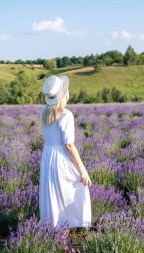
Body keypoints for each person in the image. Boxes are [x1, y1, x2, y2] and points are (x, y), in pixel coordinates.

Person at [39, 75, 92, 252]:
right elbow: (69, 145)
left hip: (48, 158)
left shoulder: (44, 113)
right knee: (72, 193)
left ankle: (60, 244)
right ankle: (63, 246)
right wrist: (83, 171)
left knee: (54, 199)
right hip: (61, 159)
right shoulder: (66, 114)